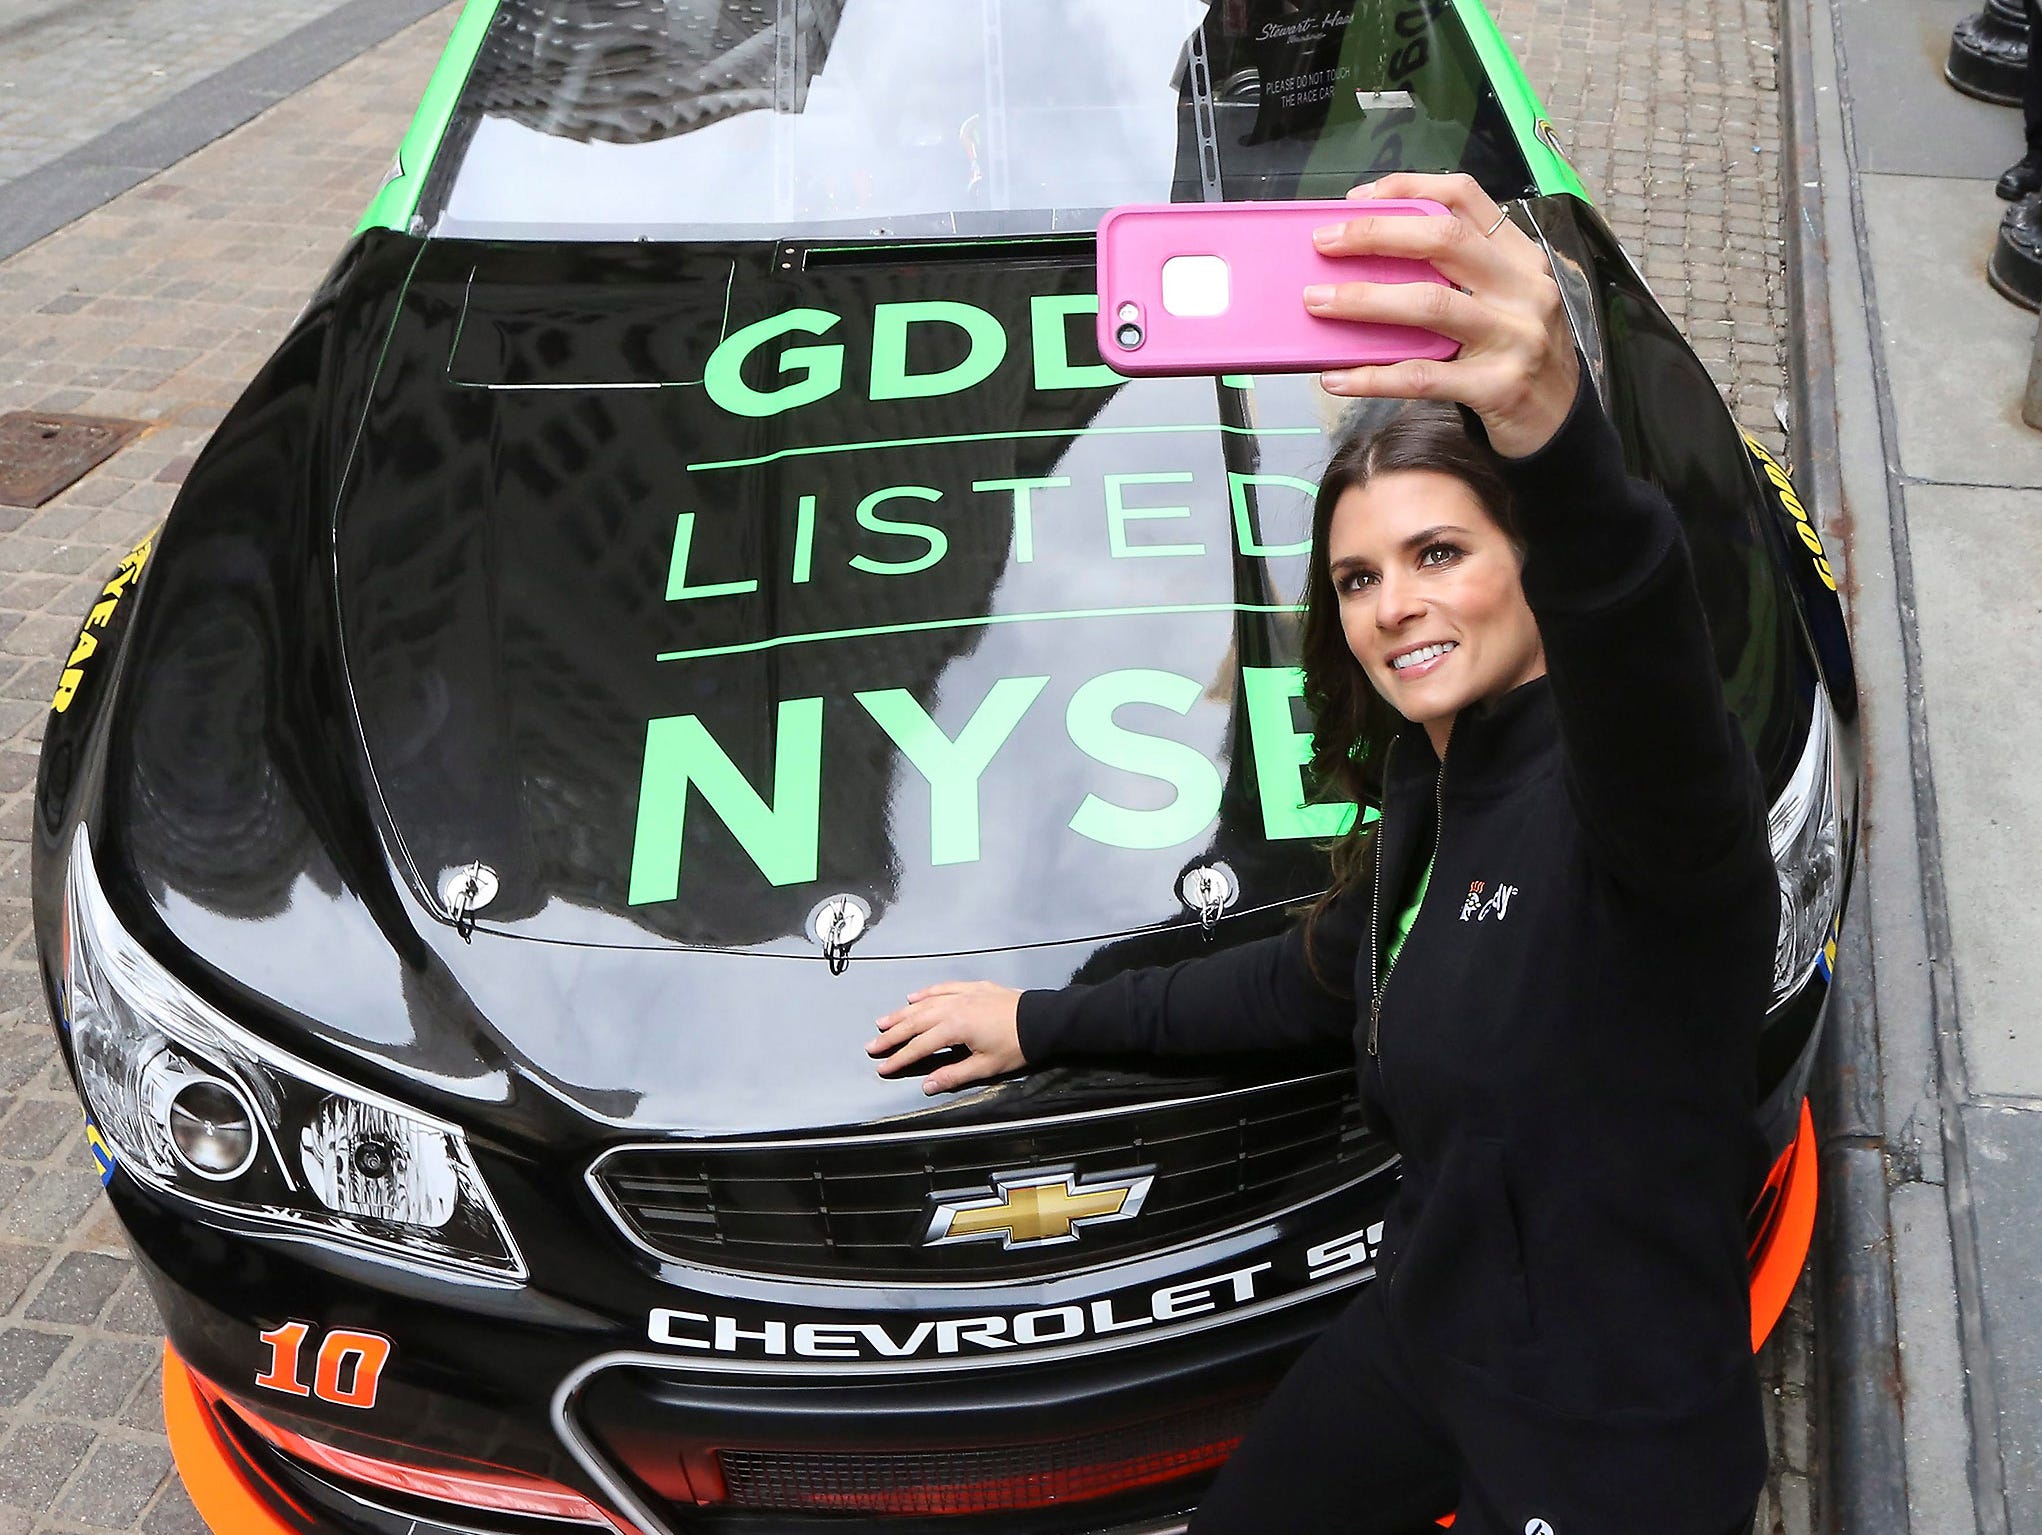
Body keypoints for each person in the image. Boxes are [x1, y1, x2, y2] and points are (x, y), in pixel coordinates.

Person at [866, 170, 1776, 1535]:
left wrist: (1548, 428)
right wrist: (1037, 1018)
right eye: (1358, 577)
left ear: (1530, 561)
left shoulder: (1641, 809)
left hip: (1607, 1426)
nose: (1393, 604)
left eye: (1437, 552)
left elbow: (1633, 632)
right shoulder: (1434, 777)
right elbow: (1312, 981)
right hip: (1424, 1335)